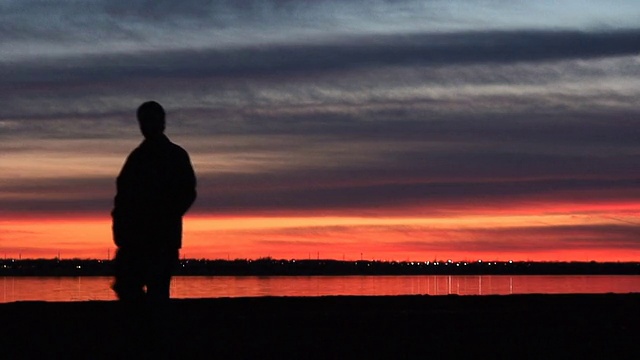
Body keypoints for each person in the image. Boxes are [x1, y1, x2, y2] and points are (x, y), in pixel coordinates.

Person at [111, 101, 196, 303]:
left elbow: (186, 192)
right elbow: (122, 198)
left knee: (156, 291)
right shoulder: (138, 157)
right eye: (144, 121)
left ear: (162, 122)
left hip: (161, 239)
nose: (146, 125)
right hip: (135, 239)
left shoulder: (174, 156)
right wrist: (121, 228)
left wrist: (165, 216)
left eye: (151, 120)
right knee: (128, 286)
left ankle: (151, 330)